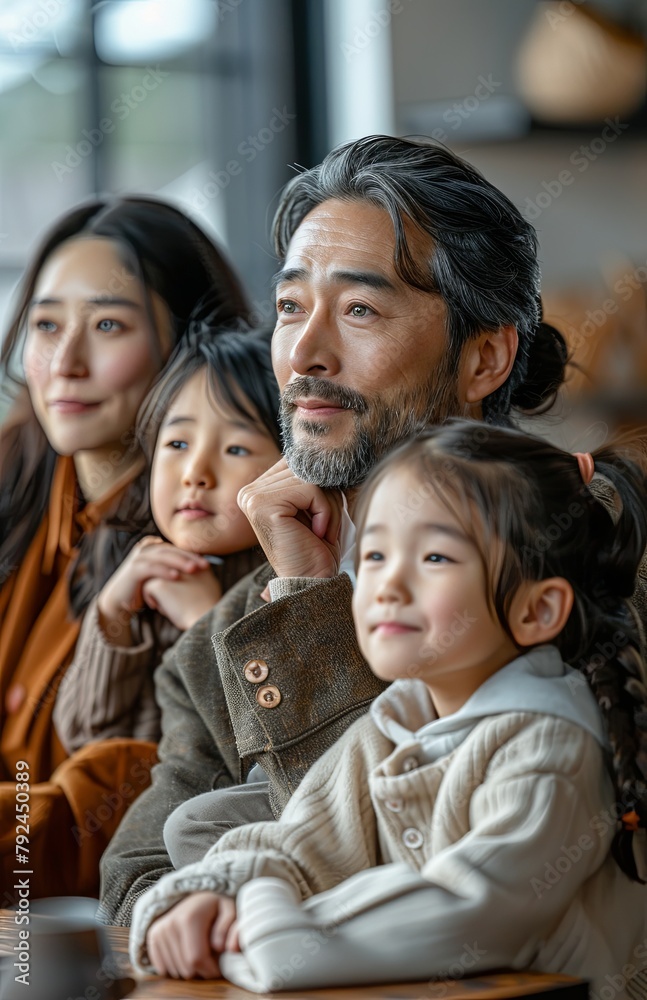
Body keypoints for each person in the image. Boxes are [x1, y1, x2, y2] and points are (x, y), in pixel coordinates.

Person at [100, 134, 647, 924]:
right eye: (290, 307)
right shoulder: (225, 638)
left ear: (485, 357)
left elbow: (459, 879)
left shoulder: (600, 557)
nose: (304, 356)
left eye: (359, 309)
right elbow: (133, 896)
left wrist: (312, 616)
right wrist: (299, 592)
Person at [130, 420, 647, 996]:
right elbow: (302, 844)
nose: (387, 585)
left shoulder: (550, 743)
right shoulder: (396, 720)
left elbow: (467, 911)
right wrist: (204, 896)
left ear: (537, 609)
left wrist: (267, 926)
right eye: (374, 553)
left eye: (434, 557)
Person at [0, 196, 249, 899]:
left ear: (191, 347)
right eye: (46, 325)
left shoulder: (207, 545)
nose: (64, 363)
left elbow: (119, 812)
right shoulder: (11, 478)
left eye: (108, 325)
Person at [54, 324, 282, 768]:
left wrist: (205, 624)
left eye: (236, 449)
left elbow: (264, 754)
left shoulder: (284, 588)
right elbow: (84, 736)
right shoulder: (147, 571)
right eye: (177, 443)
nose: (194, 472)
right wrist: (113, 616)